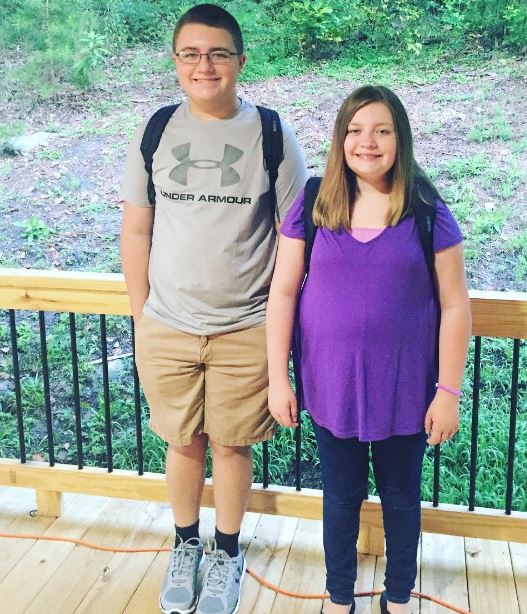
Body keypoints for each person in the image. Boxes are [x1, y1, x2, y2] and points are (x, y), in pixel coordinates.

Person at [119, 4, 308, 614]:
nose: (205, 65)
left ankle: (226, 553)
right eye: (191, 54)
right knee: (181, 443)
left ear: (240, 61)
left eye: (218, 53)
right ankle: (184, 545)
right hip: (167, 323)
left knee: (230, 446)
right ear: (176, 62)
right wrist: (142, 316)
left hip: (246, 326)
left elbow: (295, 239)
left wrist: (278, 329)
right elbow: (136, 230)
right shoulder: (156, 130)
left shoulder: (272, 134)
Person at [266, 85, 471, 614]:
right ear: (341, 139)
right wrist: (278, 378)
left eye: (382, 131)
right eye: (356, 130)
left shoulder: (425, 208)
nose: (368, 142)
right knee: (339, 497)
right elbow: (283, 292)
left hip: (407, 389)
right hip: (330, 386)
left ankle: (398, 596)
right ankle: (339, 596)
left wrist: (448, 392)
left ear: (400, 139)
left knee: (402, 498)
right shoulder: (315, 201)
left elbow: (455, 306)